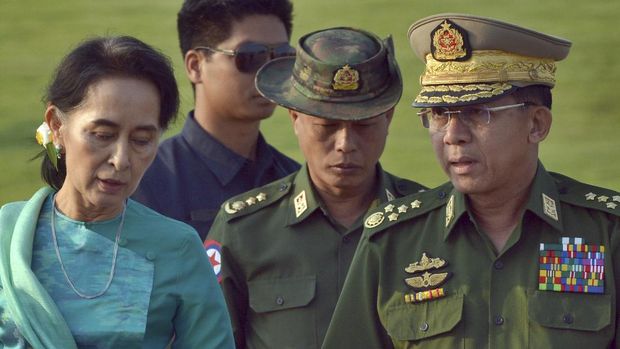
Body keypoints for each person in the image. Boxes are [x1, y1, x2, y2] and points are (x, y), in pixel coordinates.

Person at [322, 13, 620, 348]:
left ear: (536, 124)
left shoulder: (606, 233)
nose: (452, 135)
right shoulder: (391, 242)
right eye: (438, 114)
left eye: (477, 112)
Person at [0, 36, 234, 348]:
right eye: (102, 135)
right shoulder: (8, 235)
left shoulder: (177, 248)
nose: (121, 159)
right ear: (56, 126)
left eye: (141, 140)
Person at [206, 27, 427, 349]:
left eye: (363, 125)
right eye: (327, 126)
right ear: (295, 117)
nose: (345, 145)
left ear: (388, 118)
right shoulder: (243, 229)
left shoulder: (428, 222)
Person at [132, 0, 300, 239]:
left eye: (282, 56)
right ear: (196, 66)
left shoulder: (296, 180)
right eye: (250, 57)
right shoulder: (143, 182)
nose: (269, 72)